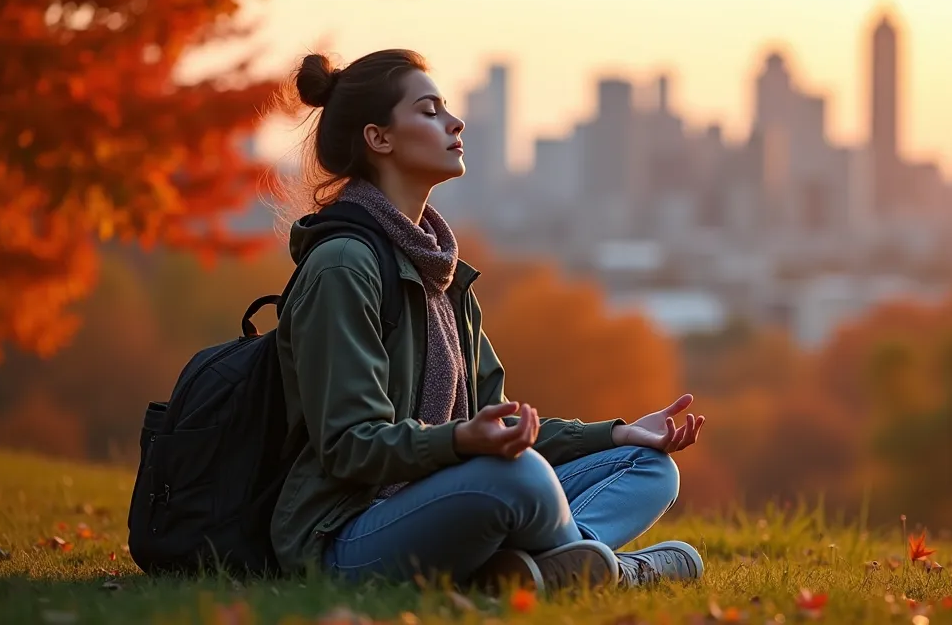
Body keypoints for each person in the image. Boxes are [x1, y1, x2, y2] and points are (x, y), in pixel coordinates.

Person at [269, 48, 707, 595]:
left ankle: (532, 569)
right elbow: (350, 446)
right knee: (518, 476)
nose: (455, 122)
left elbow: (499, 431)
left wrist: (618, 432)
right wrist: (458, 443)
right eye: (429, 111)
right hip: (345, 537)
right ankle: (615, 573)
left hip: (451, 497)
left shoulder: (441, 274)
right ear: (379, 138)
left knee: (648, 467)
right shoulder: (343, 267)